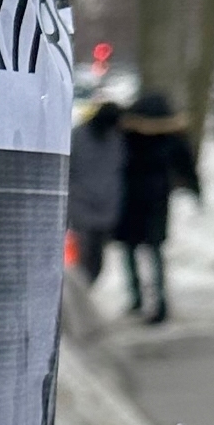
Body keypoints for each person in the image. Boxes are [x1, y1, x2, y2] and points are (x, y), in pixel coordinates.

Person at [112, 89, 201, 324]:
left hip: (130, 197)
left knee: (130, 250)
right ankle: (159, 303)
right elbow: (186, 164)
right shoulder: (172, 137)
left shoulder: (128, 134)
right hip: (157, 198)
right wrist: (195, 189)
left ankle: (137, 297)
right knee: (154, 251)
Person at [66, 96, 125, 285]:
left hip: (99, 204)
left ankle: (86, 287)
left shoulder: (115, 138)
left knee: (95, 255)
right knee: (85, 253)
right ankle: (82, 288)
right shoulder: (81, 136)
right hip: (85, 203)